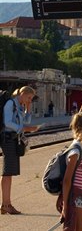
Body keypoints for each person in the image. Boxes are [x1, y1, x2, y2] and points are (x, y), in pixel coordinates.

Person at [1, 86, 39, 215]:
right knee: (7, 172)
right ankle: (6, 204)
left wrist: (28, 108)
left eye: (31, 99)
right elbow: (7, 123)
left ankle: (6, 203)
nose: (29, 100)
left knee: (9, 172)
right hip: (7, 139)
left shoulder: (20, 106)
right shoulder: (10, 104)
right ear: (22, 94)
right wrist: (24, 129)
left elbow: (26, 120)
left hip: (13, 140)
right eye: (29, 98)